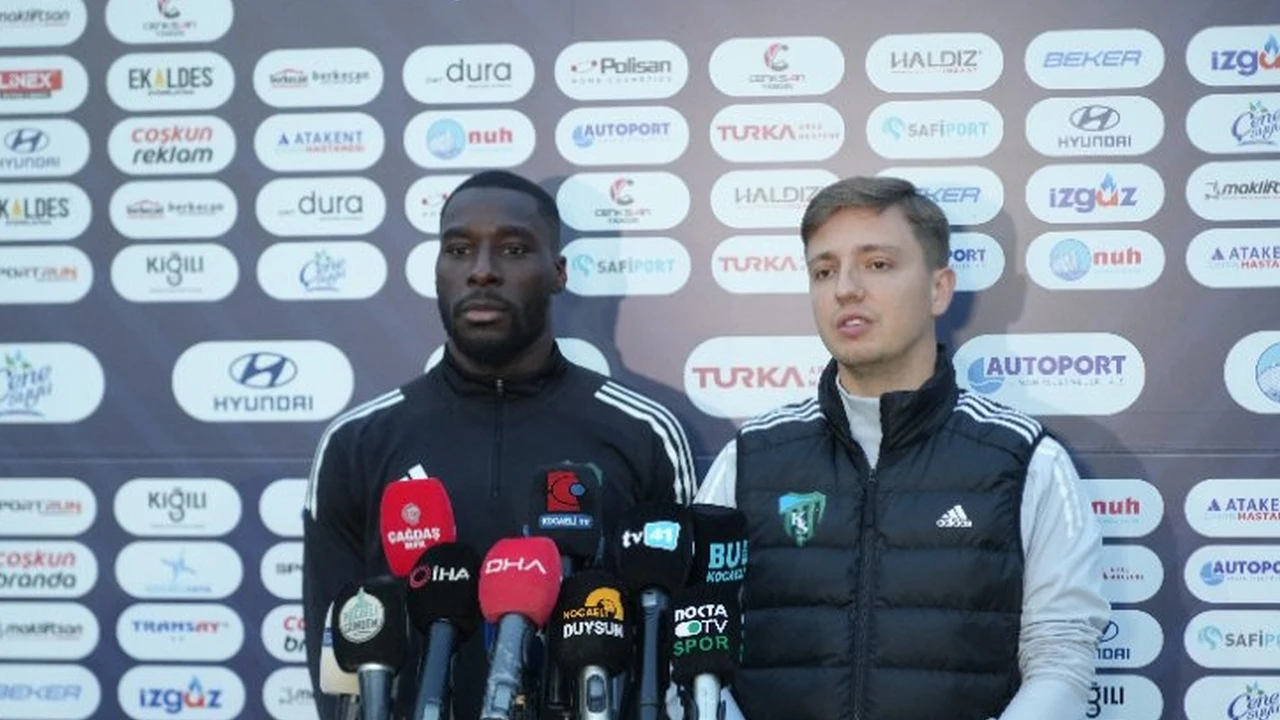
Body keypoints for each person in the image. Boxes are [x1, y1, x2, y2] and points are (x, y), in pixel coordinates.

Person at [692, 176, 1109, 720]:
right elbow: (695, 657)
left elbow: (1061, 660)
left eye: (877, 264)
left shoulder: (1024, 460)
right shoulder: (750, 459)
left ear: (939, 289)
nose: (845, 288)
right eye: (824, 271)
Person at [302, 170, 699, 720]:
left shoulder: (644, 434)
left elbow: (680, 653)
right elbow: (338, 670)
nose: (482, 270)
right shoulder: (357, 444)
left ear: (558, 272)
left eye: (513, 249)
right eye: (458, 250)